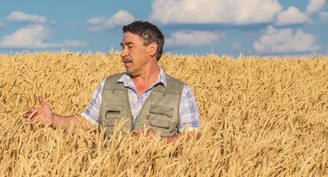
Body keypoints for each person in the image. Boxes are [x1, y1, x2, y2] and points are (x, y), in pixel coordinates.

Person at [22, 20, 201, 142]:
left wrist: (161, 141)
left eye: (130, 47)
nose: (123, 53)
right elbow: (85, 123)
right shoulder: (108, 86)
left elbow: (192, 138)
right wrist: (53, 119)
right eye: (122, 47)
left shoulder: (180, 92)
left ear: (151, 49)